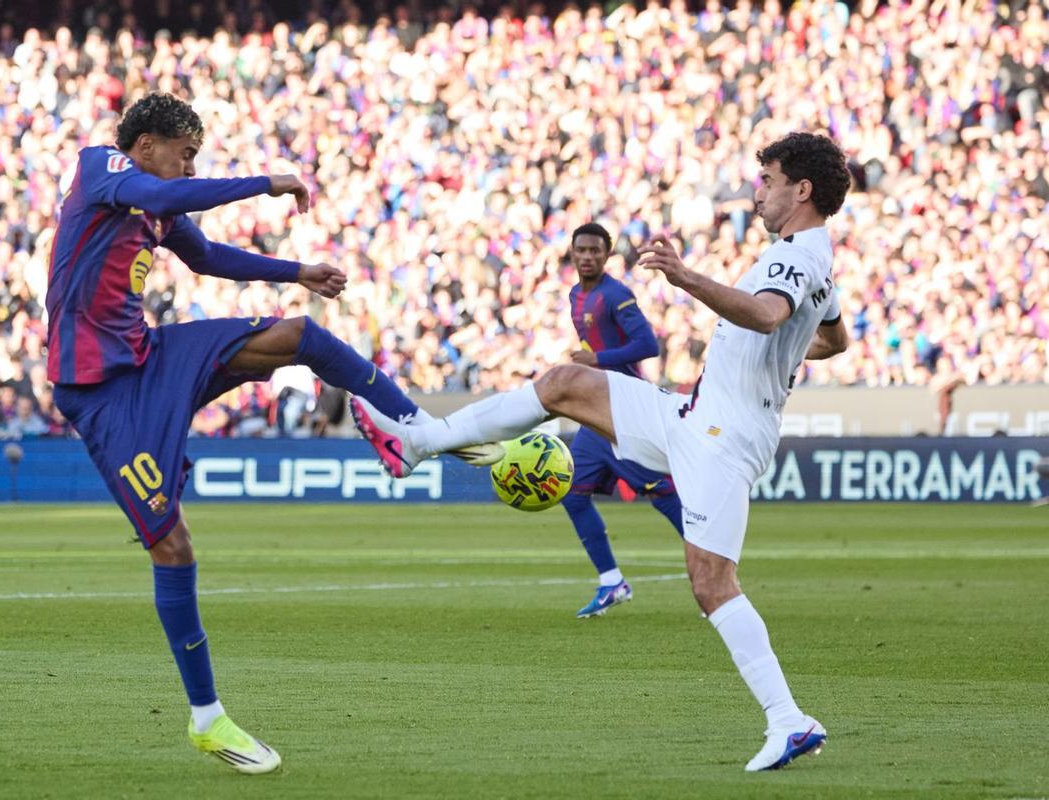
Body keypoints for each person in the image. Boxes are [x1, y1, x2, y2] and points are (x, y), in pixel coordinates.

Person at [352, 132, 851, 772]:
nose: (758, 192)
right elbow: (832, 338)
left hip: (725, 439)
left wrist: (684, 276)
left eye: (769, 180)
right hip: (693, 416)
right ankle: (419, 441)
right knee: (565, 383)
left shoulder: (795, 260)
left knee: (710, 584)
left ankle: (788, 720)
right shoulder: (813, 258)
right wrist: (784, 351)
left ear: (801, 189)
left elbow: (763, 314)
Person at [46, 92, 497, 775]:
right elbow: (162, 200)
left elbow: (207, 258)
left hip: (150, 356)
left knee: (299, 334)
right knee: (173, 547)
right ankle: (207, 720)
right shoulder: (101, 168)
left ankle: (415, 428)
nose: (191, 166)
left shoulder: (159, 214)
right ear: (146, 145)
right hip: (99, 391)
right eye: (185, 153)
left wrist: (297, 272)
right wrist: (265, 180)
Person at [561, 222, 684, 619]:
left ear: (607, 254)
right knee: (572, 492)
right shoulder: (575, 295)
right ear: (573, 252)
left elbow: (646, 344)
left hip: (626, 410)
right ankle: (611, 581)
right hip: (596, 410)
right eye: (581, 250)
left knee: (662, 494)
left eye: (595, 250)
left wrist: (596, 360)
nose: (587, 256)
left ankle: (718, 572)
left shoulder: (616, 295)